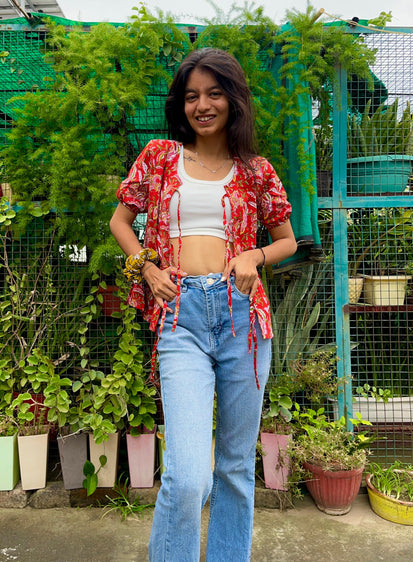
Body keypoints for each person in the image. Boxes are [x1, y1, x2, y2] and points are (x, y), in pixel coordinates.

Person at [110, 47, 297, 562]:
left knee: (236, 468)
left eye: (215, 93)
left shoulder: (256, 170)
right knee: (188, 474)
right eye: (192, 96)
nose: (203, 105)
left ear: (233, 99)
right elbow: (120, 223)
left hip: (243, 319)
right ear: (182, 104)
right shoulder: (159, 156)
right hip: (181, 319)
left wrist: (253, 255)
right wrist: (145, 267)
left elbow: (288, 241)